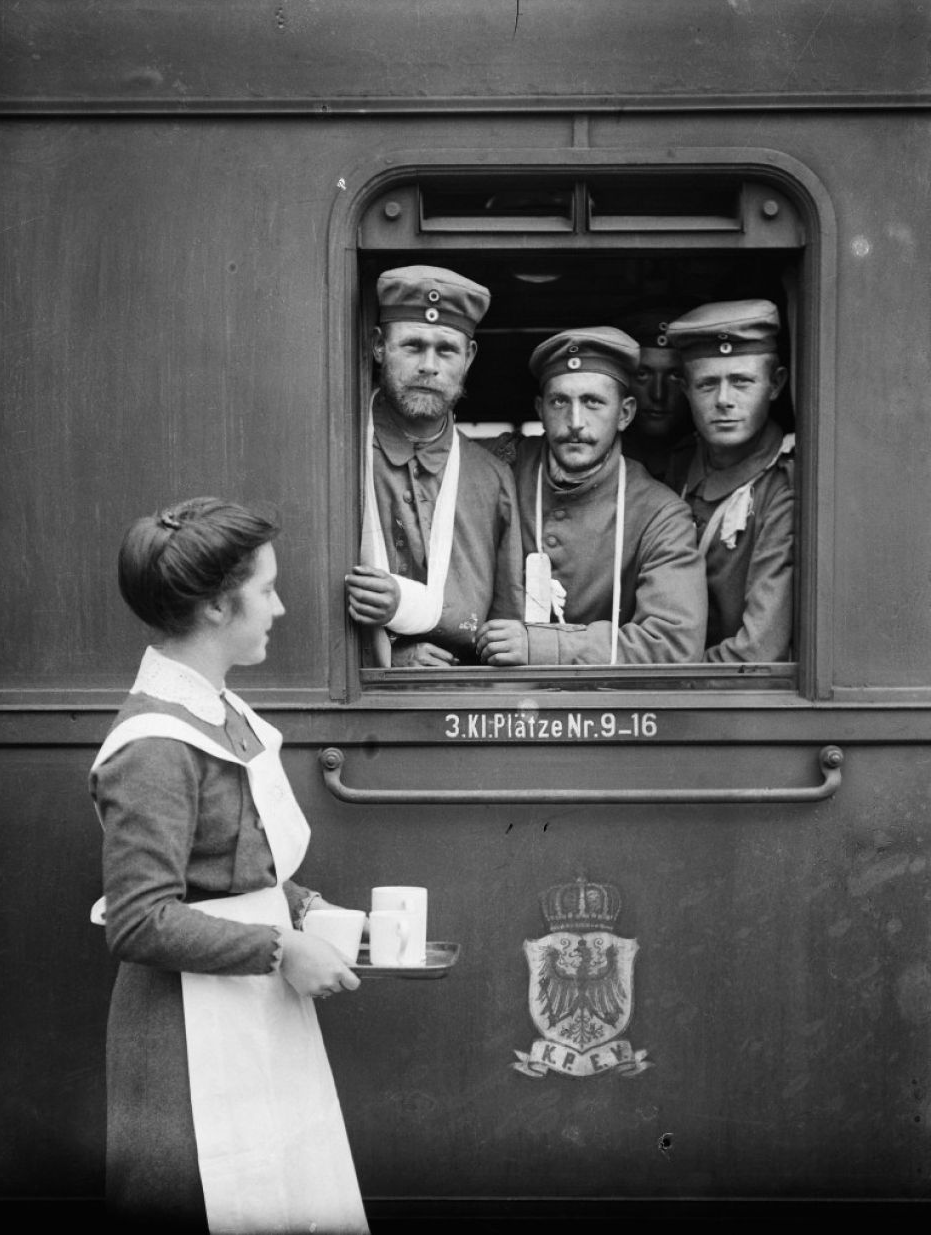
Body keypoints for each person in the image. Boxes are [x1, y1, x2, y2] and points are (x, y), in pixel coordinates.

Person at [89, 497, 369, 1234]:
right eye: (267, 590)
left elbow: (231, 860)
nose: (279, 608)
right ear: (217, 605)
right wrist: (280, 947)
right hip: (186, 1036)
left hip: (251, 1008)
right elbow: (138, 920)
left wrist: (304, 910)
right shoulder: (154, 743)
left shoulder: (217, 710)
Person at [475, 327, 707, 667]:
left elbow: (673, 645)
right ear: (540, 408)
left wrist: (544, 647)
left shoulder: (660, 513)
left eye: (593, 402)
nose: (575, 422)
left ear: (625, 413)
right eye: (559, 401)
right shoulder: (499, 468)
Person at [345, 264, 523, 667]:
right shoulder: (341, 454)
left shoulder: (491, 478)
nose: (429, 365)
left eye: (446, 350)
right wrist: (391, 655)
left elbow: (504, 627)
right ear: (378, 347)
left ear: (469, 357)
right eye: (412, 346)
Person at [665, 299, 795, 662]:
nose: (724, 401)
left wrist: (666, 677)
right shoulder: (677, 467)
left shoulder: (783, 486)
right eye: (707, 384)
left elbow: (757, 652)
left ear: (776, 384)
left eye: (741, 382)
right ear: (684, 390)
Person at [620, 304, 694, 482]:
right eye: (642, 375)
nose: (658, 394)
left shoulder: (713, 459)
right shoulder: (595, 459)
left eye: (674, 375)